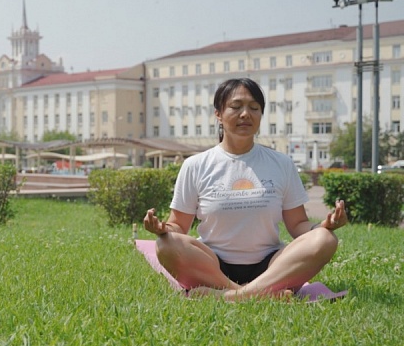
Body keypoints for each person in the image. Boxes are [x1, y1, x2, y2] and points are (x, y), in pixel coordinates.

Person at [143, 77, 347, 300]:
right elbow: (178, 227)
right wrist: (162, 229)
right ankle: (260, 294)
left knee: (325, 239)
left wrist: (322, 226)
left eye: (254, 108)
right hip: (212, 266)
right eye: (236, 106)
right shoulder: (196, 165)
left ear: (261, 114)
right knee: (165, 244)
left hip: (272, 267)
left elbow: (298, 224)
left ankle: (234, 296)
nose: (245, 114)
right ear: (218, 114)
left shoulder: (281, 163)